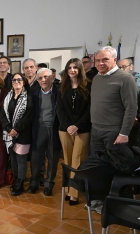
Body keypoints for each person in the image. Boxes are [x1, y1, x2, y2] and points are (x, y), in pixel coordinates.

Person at [56, 58, 91, 205]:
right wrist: (69, 125)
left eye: (75, 67)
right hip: (65, 129)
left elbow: (89, 110)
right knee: (68, 160)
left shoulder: (89, 86)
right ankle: (68, 190)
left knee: (78, 160)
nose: (72, 70)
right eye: (69, 67)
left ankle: (74, 194)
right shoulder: (62, 87)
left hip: (83, 129)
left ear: (80, 69)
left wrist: (77, 125)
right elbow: (60, 109)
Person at [90, 46, 137, 154]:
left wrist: (124, 133)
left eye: (105, 59)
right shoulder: (96, 78)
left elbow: (131, 108)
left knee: (114, 167)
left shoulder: (126, 78)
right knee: (97, 165)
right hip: (96, 130)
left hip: (114, 131)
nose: (100, 63)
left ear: (115, 60)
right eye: (97, 60)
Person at [0, 73, 33, 196]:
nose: (17, 81)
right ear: (11, 82)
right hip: (9, 134)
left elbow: (29, 116)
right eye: (14, 79)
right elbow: (2, 114)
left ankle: (20, 183)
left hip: (22, 134)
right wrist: (9, 129)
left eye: (19, 79)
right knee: (13, 157)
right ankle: (15, 180)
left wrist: (17, 129)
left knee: (21, 159)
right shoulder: (7, 96)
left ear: (24, 82)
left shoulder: (28, 97)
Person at [30, 68, 61, 196]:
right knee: (36, 158)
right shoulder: (35, 94)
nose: (44, 80)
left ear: (52, 77)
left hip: (55, 129)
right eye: (41, 78)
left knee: (53, 159)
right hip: (39, 129)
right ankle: (35, 181)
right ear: (37, 80)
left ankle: (49, 184)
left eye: (46, 77)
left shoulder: (59, 92)